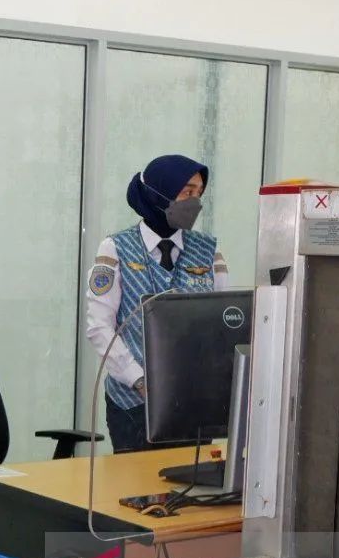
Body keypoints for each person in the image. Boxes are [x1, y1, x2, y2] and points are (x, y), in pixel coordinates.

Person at [84, 154, 230, 453]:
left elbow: (225, 319)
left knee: (191, 479)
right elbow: (100, 327)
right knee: (137, 481)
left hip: (193, 401)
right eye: (186, 191)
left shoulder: (209, 251)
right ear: (159, 193)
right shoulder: (116, 248)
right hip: (133, 403)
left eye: (199, 193)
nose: (194, 201)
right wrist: (139, 381)